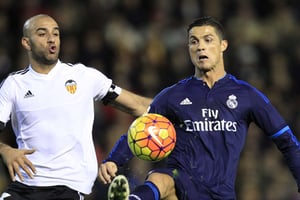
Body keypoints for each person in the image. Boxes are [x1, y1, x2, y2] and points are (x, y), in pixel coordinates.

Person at [99, 16, 300, 200]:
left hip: (221, 193)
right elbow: (139, 131)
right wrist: (114, 160)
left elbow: (286, 140)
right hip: (180, 184)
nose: (200, 47)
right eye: (194, 42)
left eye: (208, 40)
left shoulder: (246, 95)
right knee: (160, 179)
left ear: (223, 45)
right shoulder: (173, 95)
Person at [0, 14, 151, 200]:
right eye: (42, 33)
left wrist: (175, 104)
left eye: (56, 33)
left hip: (67, 187)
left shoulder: (84, 77)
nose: (51, 38)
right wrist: (5, 150)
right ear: (26, 43)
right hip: (25, 186)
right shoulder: (14, 85)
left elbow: (137, 106)